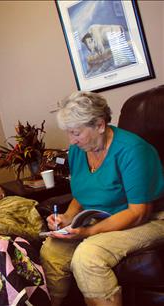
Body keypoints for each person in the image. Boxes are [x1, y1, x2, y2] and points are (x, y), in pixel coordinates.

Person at [40, 91, 164, 306]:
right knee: (52, 250)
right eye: (69, 133)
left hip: (150, 220)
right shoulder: (79, 150)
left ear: (99, 124)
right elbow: (82, 194)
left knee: (88, 256)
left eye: (76, 133)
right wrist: (68, 217)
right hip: (102, 218)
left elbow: (139, 212)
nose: (71, 140)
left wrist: (90, 232)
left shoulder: (133, 150)